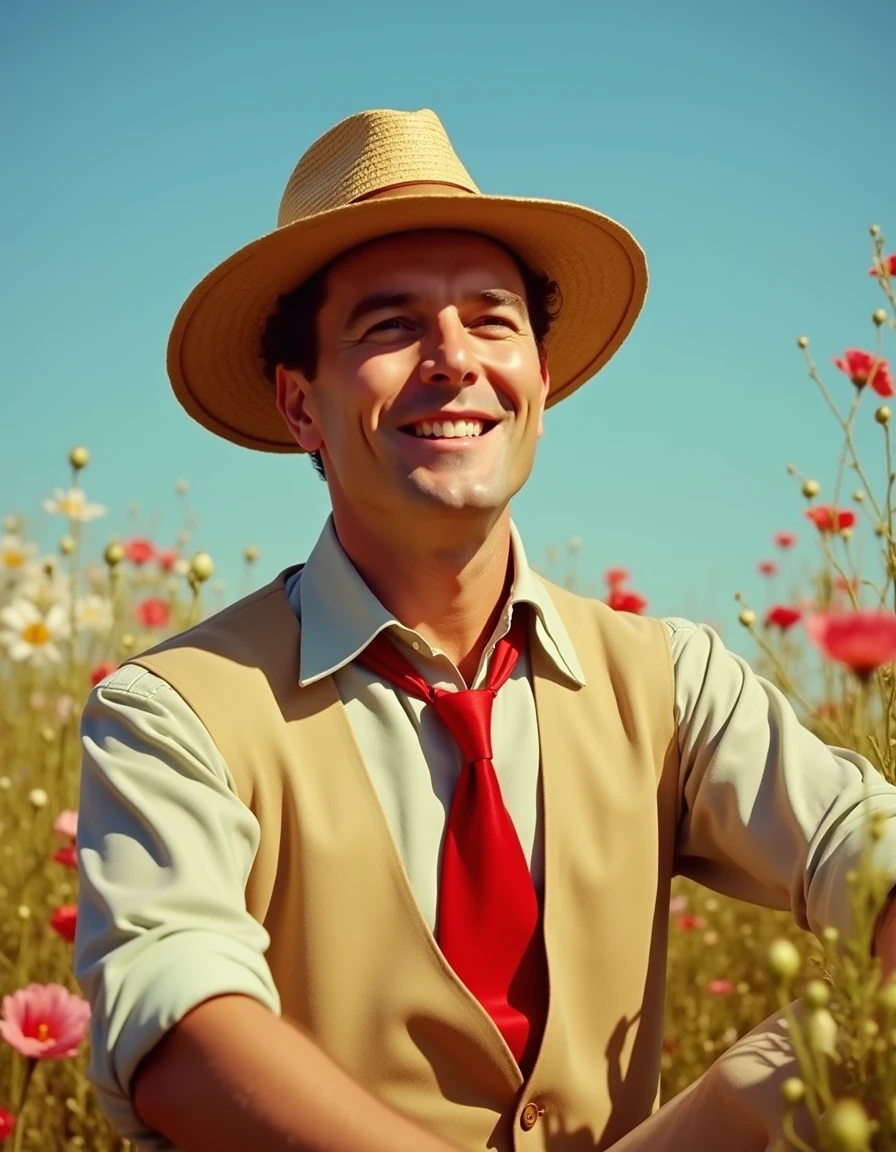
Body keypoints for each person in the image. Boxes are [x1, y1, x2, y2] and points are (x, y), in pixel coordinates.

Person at [75, 107, 896, 1152]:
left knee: (824, 1052)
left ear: (540, 385)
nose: (452, 359)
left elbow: (856, 842)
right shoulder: (174, 709)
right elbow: (178, 1028)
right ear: (298, 406)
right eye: (389, 326)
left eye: (491, 319)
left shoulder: (670, 679)